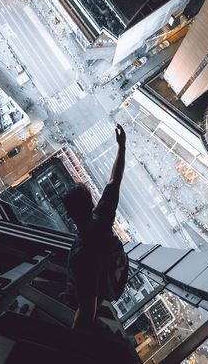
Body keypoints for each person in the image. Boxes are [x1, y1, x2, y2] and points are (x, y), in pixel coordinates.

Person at [64, 125, 129, 329]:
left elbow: (86, 310)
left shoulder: (80, 257)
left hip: (104, 284)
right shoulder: (103, 216)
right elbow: (115, 180)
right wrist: (122, 147)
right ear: (92, 203)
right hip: (114, 276)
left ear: (69, 215)